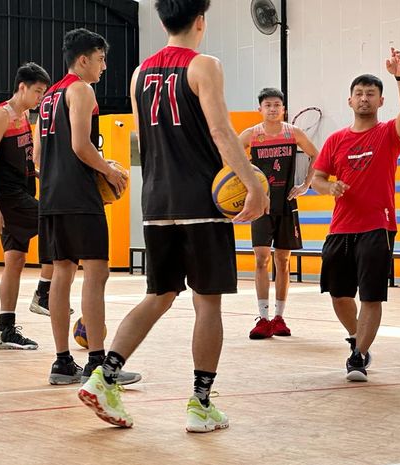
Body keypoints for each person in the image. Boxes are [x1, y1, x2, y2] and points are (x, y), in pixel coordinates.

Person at [78, 0, 268, 432]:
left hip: (157, 201)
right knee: (207, 302)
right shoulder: (205, 65)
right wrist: (254, 185)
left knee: (159, 295)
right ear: (200, 21)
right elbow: (221, 132)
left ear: (162, 21)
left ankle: (103, 377)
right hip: (202, 202)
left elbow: (145, 141)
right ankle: (200, 405)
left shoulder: (138, 73)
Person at [35, 28, 140, 387]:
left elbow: (37, 156)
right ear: (83, 60)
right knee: (97, 273)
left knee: (62, 273)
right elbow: (81, 145)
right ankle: (98, 361)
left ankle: (63, 362)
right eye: (100, 59)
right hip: (79, 197)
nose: (104, 66)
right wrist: (108, 168)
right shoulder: (81, 89)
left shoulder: (48, 96)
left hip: (50, 196)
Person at [311, 47, 400, 382]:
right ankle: (359, 338)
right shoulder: (336, 140)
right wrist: (329, 188)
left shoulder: (388, 134)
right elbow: (316, 179)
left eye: (371, 93)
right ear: (349, 101)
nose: (364, 98)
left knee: (371, 295)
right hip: (341, 228)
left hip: (378, 225)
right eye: (358, 94)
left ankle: (357, 357)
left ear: (380, 101)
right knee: (339, 295)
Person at [0, 63, 52, 350]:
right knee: (54, 223)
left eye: (43, 93)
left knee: (15, 261)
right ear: (22, 87)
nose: (39, 97)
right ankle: (43, 293)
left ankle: (4, 329)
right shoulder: (1, 116)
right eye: (36, 91)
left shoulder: (26, 115)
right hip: (7, 197)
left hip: (21, 190)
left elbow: (32, 159)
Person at [239, 88, 319, 339]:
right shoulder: (251, 135)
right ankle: (262, 318)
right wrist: (245, 184)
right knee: (261, 258)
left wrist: (305, 185)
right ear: (259, 109)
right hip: (261, 206)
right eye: (268, 105)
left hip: (286, 203)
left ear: (283, 109)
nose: (273, 109)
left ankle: (279, 317)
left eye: (277, 105)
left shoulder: (292, 133)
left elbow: (317, 155)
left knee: (283, 261)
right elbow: (230, 157)